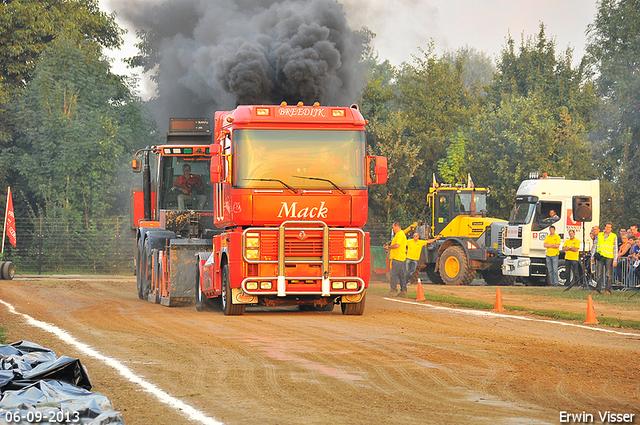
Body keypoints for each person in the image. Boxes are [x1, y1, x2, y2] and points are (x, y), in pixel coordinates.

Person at [590, 222, 618, 295]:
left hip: (609, 257)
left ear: (611, 229)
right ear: (604, 228)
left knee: (608, 274)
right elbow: (595, 246)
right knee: (599, 274)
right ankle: (598, 289)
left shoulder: (613, 236)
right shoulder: (599, 235)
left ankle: (608, 290)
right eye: (606, 227)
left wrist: (615, 260)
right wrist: (592, 256)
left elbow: (615, 248)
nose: (607, 228)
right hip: (600, 257)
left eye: (609, 227)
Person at [385, 222, 407, 297]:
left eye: (393, 227)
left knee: (393, 274)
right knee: (401, 275)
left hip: (397, 257)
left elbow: (397, 245)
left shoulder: (400, 234)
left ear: (397, 227)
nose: (392, 229)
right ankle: (404, 290)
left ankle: (393, 290)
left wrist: (389, 247)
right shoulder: (399, 235)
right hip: (400, 257)